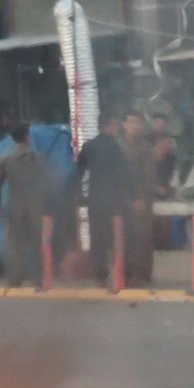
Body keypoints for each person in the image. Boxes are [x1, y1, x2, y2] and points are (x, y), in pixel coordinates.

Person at [74, 112, 134, 285]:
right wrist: (131, 195)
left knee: (98, 237)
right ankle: (124, 272)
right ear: (106, 126)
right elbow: (125, 174)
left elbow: (78, 172)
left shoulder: (89, 146)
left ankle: (100, 273)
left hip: (95, 199)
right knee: (120, 236)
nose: (117, 128)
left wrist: (80, 194)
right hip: (115, 200)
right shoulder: (116, 148)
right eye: (114, 125)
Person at [0, 123, 51, 287]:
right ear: (27, 137)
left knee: (15, 244)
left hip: (15, 206)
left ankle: (15, 280)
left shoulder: (5, 160)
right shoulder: (37, 158)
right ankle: (38, 280)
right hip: (35, 206)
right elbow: (46, 183)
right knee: (36, 243)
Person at [121, 113, 157, 286]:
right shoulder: (119, 147)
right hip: (123, 201)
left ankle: (142, 275)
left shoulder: (145, 148)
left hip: (141, 201)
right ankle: (126, 273)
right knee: (125, 237)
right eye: (131, 122)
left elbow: (149, 176)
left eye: (138, 123)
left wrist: (141, 199)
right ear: (124, 125)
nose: (134, 126)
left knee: (143, 238)